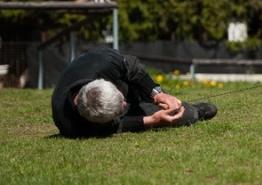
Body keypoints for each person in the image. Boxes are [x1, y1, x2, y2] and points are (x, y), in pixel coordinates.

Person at [51, 47, 217, 138]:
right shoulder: (72, 127)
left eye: (121, 100)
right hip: (111, 111)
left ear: (106, 83)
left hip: (128, 83)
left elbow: (132, 66)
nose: (124, 104)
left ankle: (159, 98)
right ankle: (196, 111)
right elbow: (114, 127)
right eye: (119, 109)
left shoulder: (105, 63)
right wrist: (149, 121)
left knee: (167, 104)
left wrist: (157, 93)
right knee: (185, 115)